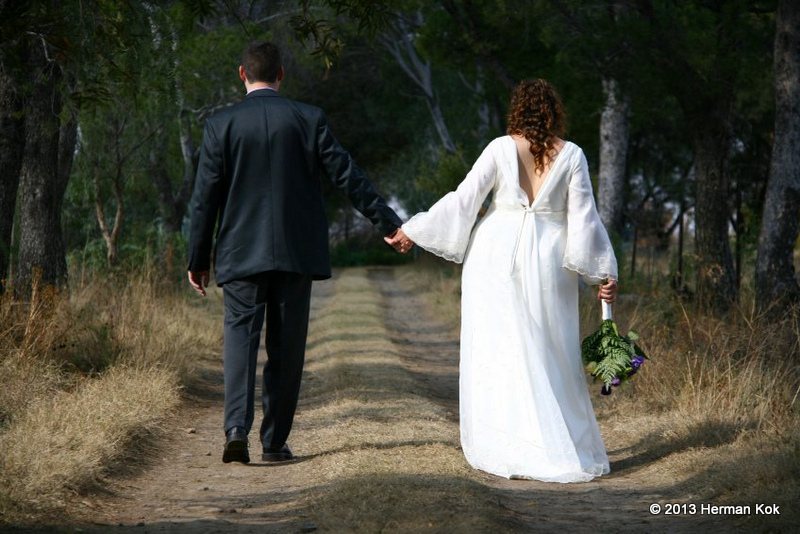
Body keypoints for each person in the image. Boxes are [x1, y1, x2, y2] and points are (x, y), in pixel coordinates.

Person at [386, 79, 618, 482]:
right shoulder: (574, 155)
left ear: (517, 110)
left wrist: (413, 229)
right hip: (550, 260)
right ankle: (556, 443)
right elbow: (584, 219)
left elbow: (464, 199)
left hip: (494, 256)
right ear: (554, 111)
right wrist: (603, 272)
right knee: (550, 347)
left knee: (499, 349)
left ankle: (509, 440)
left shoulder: (499, 147)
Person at [187, 41, 404, 464]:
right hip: (295, 254)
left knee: (239, 341)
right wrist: (388, 223)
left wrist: (197, 260)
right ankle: (273, 441)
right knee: (286, 349)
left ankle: (236, 430)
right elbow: (348, 175)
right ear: (281, 74)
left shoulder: (221, 125)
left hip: (239, 255)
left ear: (241, 74)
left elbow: (204, 199)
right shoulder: (308, 119)